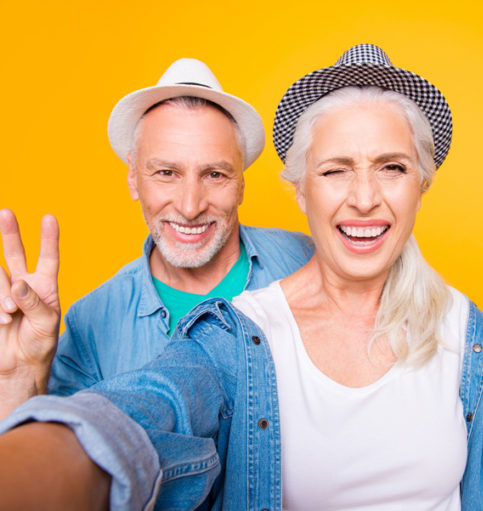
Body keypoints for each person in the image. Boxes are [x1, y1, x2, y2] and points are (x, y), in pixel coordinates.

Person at [1, 44, 483, 510]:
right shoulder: (232, 336)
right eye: (336, 170)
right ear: (300, 190)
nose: (364, 198)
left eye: (391, 167)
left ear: (421, 183)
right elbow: (149, 409)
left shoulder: (470, 338)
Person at [0, 57, 314, 418]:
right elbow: (50, 466)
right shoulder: (91, 322)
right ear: (133, 178)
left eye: (214, 174)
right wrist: (19, 380)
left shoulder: (305, 260)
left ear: (241, 184)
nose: (190, 205)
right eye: (167, 172)